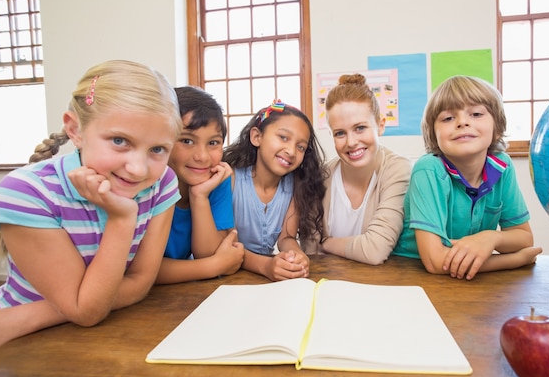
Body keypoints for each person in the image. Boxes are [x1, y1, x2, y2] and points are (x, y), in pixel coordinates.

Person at [0, 60, 182, 350]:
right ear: (75, 130)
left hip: (70, 332)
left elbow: (140, 281)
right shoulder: (25, 192)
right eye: (120, 140)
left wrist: (28, 316)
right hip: (18, 346)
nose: (137, 169)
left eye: (157, 149)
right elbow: (86, 312)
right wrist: (122, 218)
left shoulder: (161, 183)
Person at [392, 75, 542, 280]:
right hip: (411, 273)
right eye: (448, 118)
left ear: (497, 127)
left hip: (468, 279)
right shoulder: (428, 170)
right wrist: (515, 260)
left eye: (476, 113)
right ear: (433, 134)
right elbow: (436, 262)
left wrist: (490, 238)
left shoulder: (502, 166)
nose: (463, 122)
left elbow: (524, 237)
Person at [301, 74, 411, 265]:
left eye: (360, 128)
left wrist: (326, 243)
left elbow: (375, 250)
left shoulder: (397, 169)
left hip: (380, 285)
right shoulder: (321, 177)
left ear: (380, 126)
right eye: (340, 133)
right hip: (328, 284)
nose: (351, 142)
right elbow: (311, 252)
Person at [223, 100, 327, 281]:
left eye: (300, 147)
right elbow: (227, 247)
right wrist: (265, 265)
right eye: (283, 137)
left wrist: (297, 256)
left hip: (262, 277)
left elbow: (286, 238)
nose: (291, 151)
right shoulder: (230, 179)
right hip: (223, 275)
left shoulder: (294, 185)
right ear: (257, 137)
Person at [155, 86, 244, 284]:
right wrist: (215, 266)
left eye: (213, 143)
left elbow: (210, 252)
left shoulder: (217, 180)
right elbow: (142, 270)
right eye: (187, 140)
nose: (202, 157)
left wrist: (199, 196)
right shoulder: (151, 184)